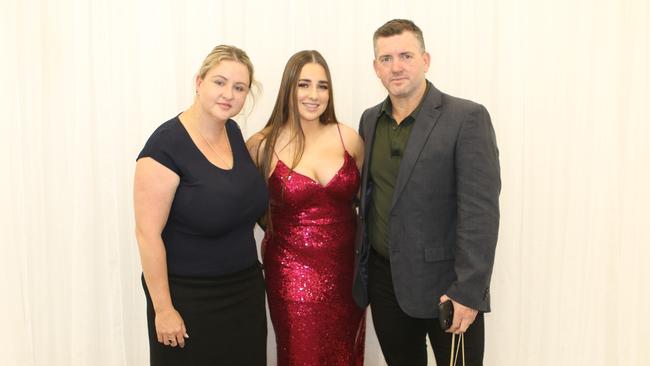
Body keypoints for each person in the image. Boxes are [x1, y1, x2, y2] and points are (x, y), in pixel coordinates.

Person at [352, 19, 501, 366]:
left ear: (425, 60)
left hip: (447, 287)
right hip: (386, 284)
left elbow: (480, 213)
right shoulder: (370, 120)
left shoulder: (466, 118)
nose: (396, 66)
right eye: (386, 59)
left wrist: (469, 291)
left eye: (405, 55)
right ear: (376, 68)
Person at [134, 45, 268, 365]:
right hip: (190, 300)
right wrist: (164, 310)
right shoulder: (164, 147)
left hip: (244, 292)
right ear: (199, 81)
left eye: (239, 88)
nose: (228, 94)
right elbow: (147, 235)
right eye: (219, 82)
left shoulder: (233, 132)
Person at [247, 50, 365, 366]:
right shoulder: (261, 143)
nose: (314, 95)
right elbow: (248, 207)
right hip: (290, 272)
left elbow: (364, 204)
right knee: (301, 355)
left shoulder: (350, 138)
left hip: (345, 275)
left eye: (323, 86)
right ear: (289, 87)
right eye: (304, 85)